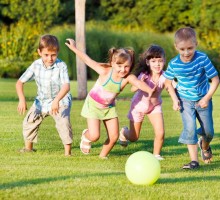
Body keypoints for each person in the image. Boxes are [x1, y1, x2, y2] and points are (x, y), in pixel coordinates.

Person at [65, 39, 156, 159]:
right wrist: (74, 48)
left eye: (126, 66)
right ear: (113, 63)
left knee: (113, 137)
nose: (123, 70)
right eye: (119, 66)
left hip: (109, 108)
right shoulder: (104, 71)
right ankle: (86, 136)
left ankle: (102, 156)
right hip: (93, 105)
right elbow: (87, 60)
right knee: (94, 135)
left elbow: (137, 83)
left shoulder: (127, 78)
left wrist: (149, 90)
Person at [163, 27, 219, 169]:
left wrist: (206, 98)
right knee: (190, 128)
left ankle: (204, 146)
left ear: (196, 44)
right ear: (176, 47)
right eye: (182, 49)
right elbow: (167, 83)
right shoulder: (174, 64)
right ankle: (194, 161)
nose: (186, 52)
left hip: (203, 99)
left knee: (209, 132)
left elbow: (215, 80)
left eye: (190, 48)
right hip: (185, 100)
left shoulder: (202, 58)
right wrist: (175, 100)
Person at [16, 34, 73, 156]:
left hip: (60, 100)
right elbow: (20, 82)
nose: (50, 58)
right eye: (46, 55)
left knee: (63, 122)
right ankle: (28, 149)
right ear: (39, 52)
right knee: (29, 121)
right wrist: (22, 99)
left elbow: (66, 86)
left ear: (57, 53)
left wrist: (57, 100)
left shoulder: (61, 66)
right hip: (41, 101)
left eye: (53, 55)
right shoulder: (36, 65)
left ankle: (68, 153)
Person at [119, 45, 166, 161]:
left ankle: (156, 154)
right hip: (138, 106)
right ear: (148, 62)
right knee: (134, 137)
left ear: (164, 61)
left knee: (160, 132)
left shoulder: (164, 76)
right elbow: (133, 89)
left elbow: (171, 85)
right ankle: (124, 132)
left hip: (154, 107)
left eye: (160, 61)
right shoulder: (144, 75)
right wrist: (140, 82)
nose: (157, 64)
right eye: (153, 61)